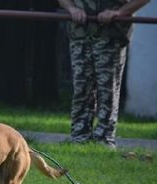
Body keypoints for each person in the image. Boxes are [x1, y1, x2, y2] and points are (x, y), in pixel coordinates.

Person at [58, 0, 149, 149]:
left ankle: (104, 139)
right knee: (81, 88)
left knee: (107, 90)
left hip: (111, 33)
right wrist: (71, 8)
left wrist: (120, 12)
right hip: (80, 31)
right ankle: (79, 137)